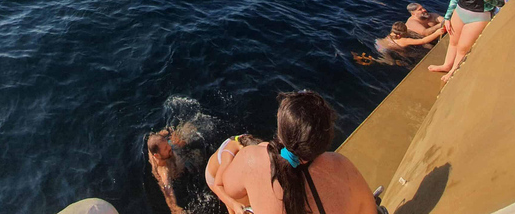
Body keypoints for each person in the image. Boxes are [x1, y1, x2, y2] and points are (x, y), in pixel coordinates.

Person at [221, 91, 377, 214]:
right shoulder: (342, 165)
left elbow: (227, 187)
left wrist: (232, 149)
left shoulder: (251, 159)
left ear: (280, 125)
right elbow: (370, 209)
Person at [428, 0, 504, 83]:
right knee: (453, 41)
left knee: (463, 47)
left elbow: (500, 3)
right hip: (460, 12)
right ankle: (447, 65)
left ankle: (453, 71)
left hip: (478, 16)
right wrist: (447, 17)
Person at [147, 125, 203, 214]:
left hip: (174, 153)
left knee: (190, 127)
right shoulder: (163, 170)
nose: (169, 147)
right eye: (166, 148)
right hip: (178, 167)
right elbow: (167, 191)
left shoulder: (154, 147)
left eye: (167, 144)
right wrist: (175, 208)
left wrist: (167, 131)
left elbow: (155, 137)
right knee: (198, 156)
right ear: (157, 156)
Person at [205, 134, 263, 214]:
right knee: (235, 205)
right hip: (214, 178)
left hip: (230, 170)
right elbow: (218, 186)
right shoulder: (229, 154)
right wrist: (234, 204)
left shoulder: (256, 146)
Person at [378, 22, 443, 51]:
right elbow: (423, 41)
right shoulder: (405, 40)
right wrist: (437, 33)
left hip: (379, 43)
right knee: (391, 62)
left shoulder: (391, 34)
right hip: (384, 50)